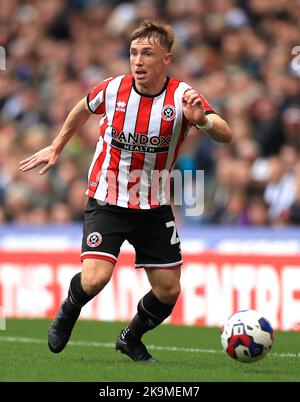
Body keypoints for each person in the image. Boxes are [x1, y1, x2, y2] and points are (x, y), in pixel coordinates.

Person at [19, 20, 232, 362]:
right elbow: (82, 107)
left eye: (147, 53)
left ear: (166, 59)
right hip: (109, 199)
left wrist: (203, 120)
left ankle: (130, 337)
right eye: (133, 53)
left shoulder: (182, 95)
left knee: (168, 291)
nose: (138, 60)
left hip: (155, 205)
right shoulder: (113, 89)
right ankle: (70, 308)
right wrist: (57, 146)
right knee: (95, 279)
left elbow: (226, 133)